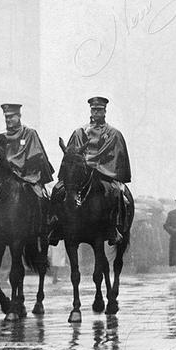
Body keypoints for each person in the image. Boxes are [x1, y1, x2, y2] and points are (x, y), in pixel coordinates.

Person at [52, 96, 131, 245]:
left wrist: (94, 163)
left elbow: (114, 156)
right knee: (58, 190)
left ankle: (114, 228)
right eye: (94, 110)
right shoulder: (79, 132)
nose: (96, 113)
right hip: (80, 173)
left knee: (116, 191)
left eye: (99, 110)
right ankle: (56, 226)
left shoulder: (113, 133)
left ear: (105, 111)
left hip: (104, 173)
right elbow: (71, 154)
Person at [0, 103, 54, 243]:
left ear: (19, 116)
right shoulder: (0, 137)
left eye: (11, 117)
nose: (8, 120)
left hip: (27, 176)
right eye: (6, 117)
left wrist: (22, 170)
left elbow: (37, 156)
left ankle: (44, 228)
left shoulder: (29, 133)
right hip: (6, 178)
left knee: (40, 197)